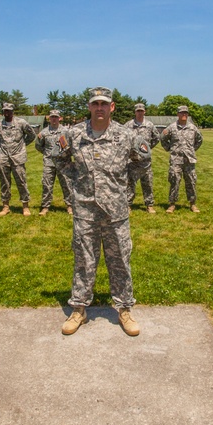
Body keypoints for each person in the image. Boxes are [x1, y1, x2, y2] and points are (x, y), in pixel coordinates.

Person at [59, 87, 150, 337]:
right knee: (83, 261)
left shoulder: (126, 134)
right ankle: (79, 309)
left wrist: (124, 186)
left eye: (104, 104)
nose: (99, 107)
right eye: (95, 103)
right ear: (89, 107)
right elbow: (59, 158)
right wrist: (77, 180)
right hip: (85, 209)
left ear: (112, 107)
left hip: (115, 212)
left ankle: (124, 309)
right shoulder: (74, 133)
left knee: (120, 259)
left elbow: (143, 160)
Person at [0, 102, 36, 216]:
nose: (6, 113)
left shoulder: (21, 123)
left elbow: (32, 135)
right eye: (5, 111)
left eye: (9, 111)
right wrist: (1, 146)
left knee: (21, 181)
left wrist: (22, 145)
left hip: (18, 157)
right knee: (4, 183)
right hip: (3, 157)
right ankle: (6, 206)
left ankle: (25, 206)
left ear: (12, 112)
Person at [160, 105, 203, 213]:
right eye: (182, 113)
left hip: (189, 160)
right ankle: (172, 204)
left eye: (186, 113)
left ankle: (192, 204)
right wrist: (169, 148)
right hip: (176, 160)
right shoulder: (172, 127)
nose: (184, 114)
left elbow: (199, 140)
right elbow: (162, 138)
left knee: (191, 181)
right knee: (174, 181)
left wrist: (192, 150)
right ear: (178, 114)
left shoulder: (193, 128)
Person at [34, 109, 73, 215]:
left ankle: (70, 206)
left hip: (64, 163)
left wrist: (66, 155)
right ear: (49, 118)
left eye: (56, 117)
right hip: (49, 163)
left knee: (67, 184)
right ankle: (45, 206)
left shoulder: (66, 131)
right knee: (47, 184)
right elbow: (38, 145)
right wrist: (48, 154)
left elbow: (72, 146)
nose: (54, 119)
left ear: (60, 118)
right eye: (52, 117)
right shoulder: (44, 132)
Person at [124, 102, 160, 213]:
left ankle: (149, 205)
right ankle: (128, 204)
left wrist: (147, 150)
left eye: (141, 111)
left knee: (147, 183)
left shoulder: (149, 125)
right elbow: (122, 139)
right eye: (137, 111)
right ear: (135, 112)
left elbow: (156, 138)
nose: (140, 113)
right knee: (130, 184)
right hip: (132, 161)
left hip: (146, 162)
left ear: (144, 112)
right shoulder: (128, 125)